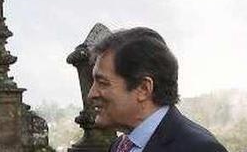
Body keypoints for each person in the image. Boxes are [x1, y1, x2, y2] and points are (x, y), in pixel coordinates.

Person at [88, 28, 227, 152]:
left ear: (144, 88)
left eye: (103, 83)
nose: (91, 94)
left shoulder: (199, 148)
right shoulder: (119, 146)